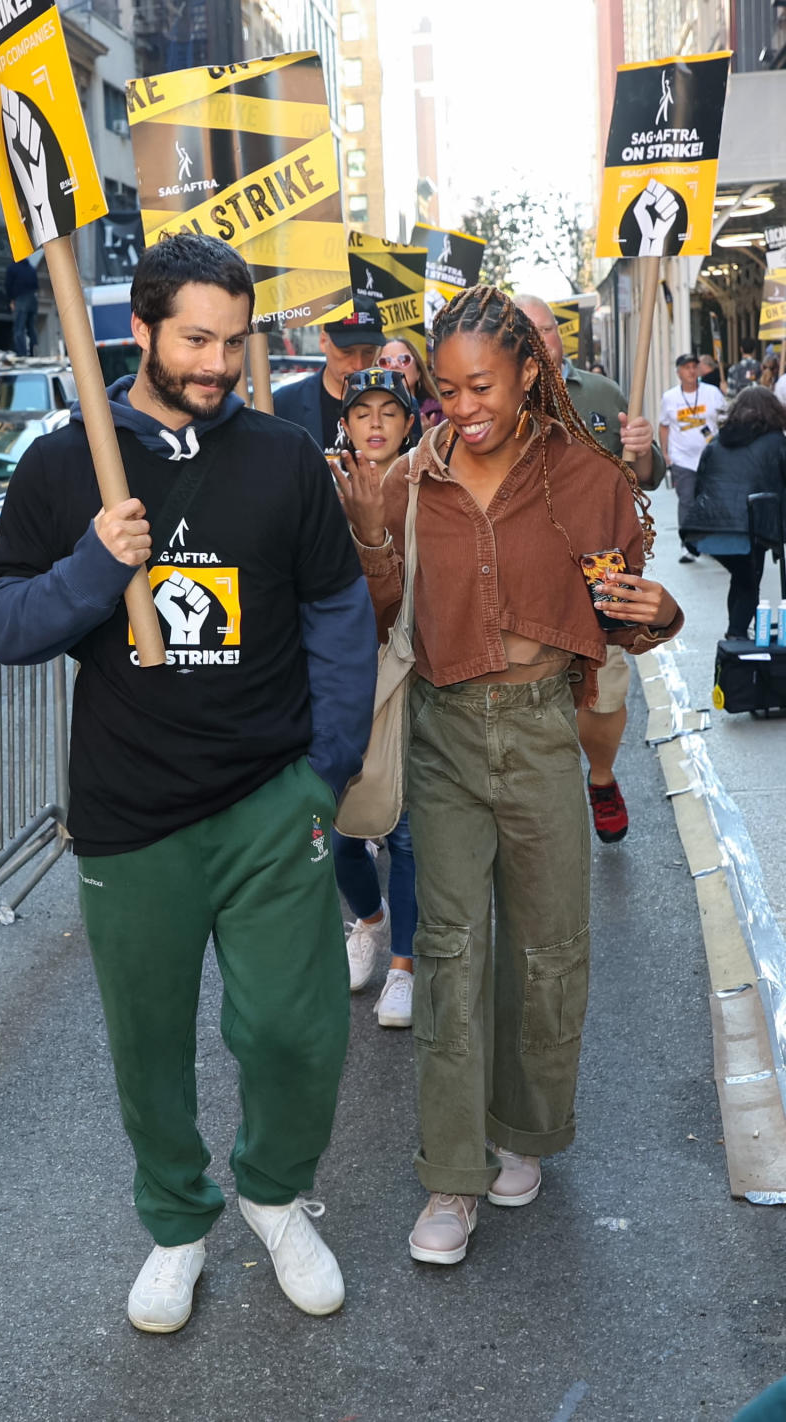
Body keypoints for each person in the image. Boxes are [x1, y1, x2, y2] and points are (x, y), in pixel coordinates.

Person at [0, 234, 377, 1332]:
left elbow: (339, 610)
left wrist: (325, 769)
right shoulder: (69, 465)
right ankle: (176, 1222)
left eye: (234, 340)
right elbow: (4, 627)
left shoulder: (284, 455)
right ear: (141, 330)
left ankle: (274, 1193)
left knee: (294, 1033)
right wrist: (95, 568)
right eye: (196, 338)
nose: (218, 363)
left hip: (269, 800)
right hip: (129, 818)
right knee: (148, 1049)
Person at [337, 284, 682, 1267]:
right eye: (443, 389)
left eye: (480, 384)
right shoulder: (406, 480)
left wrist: (658, 612)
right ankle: (451, 1176)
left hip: (539, 732)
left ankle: (520, 1132)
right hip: (443, 733)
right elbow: (378, 617)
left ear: (529, 372)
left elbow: (624, 623)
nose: (462, 406)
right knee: (447, 953)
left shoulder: (586, 479)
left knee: (548, 948)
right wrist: (368, 536)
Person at [515, 293, 666, 845]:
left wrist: (642, 449)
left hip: (600, 569)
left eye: (547, 329)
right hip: (526, 574)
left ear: (560, 335)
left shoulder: (600, 393)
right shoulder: (499, 400)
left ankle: (600, 778)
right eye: (525, 332)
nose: (541, 341)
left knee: (606, 694)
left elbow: (647, 477)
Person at [331, 367, 419, 1027]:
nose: (377, 424)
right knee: (338, 826)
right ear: (346, 422)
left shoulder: (431, 485)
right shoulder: (317, 486)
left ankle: (404, 968)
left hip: (410, 673)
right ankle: (368, 919)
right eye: (364, 412)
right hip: (338, 678)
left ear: (410, 421)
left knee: (410, 834)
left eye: (391, 411)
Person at [681, 385, 786, 637]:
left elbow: (701, 482)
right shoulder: (776, 441)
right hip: (750, 526)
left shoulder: (718, 441)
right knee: (749, 583)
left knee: (741, 578)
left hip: (708, 528)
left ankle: (736, 634)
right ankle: (736, 636)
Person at [272, 291, 385, 449]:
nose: (359, 365)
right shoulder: (285, 403)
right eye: (347, 351)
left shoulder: (401, 404)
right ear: (323, 341)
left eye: (368, 352)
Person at [658, 353, 725, 563]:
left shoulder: (712, 393)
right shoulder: (670, 397)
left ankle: (709, 542)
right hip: (683, 459)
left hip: (711, 457)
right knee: (686, 501)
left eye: (694, 367)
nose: (691, 371)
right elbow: (664, 425)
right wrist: (666, 453)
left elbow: (724, 419)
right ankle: (687, 545)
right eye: (686, 367)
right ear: (678, 372)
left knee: (711, 501)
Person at [379, 335, 442, 429]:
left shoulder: (441, 415)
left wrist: (429, 440)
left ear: (418, 371)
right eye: (385, 362)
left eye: (403, 359)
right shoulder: (364, 416)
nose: (394, 365)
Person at [4, 256, 39, 357]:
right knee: (31, 328)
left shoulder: (12, 268)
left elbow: (8, 285)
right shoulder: (31, 269)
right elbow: (36, 285)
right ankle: (34, 352)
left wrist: (11, 300)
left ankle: (22, 353)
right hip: (32, 300)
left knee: (19, 328)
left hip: (21, 299)